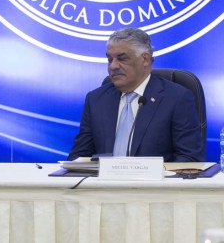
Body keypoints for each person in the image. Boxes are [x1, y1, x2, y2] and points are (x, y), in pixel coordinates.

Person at [68, 27, 203, 162]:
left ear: (145, 59)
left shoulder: (176, 98)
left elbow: (189, 158)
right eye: (110, 59)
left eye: (122, 58)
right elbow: (79, 157)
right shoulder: (96, 100)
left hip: (156, 182)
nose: (113, 66)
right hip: (104, 182)